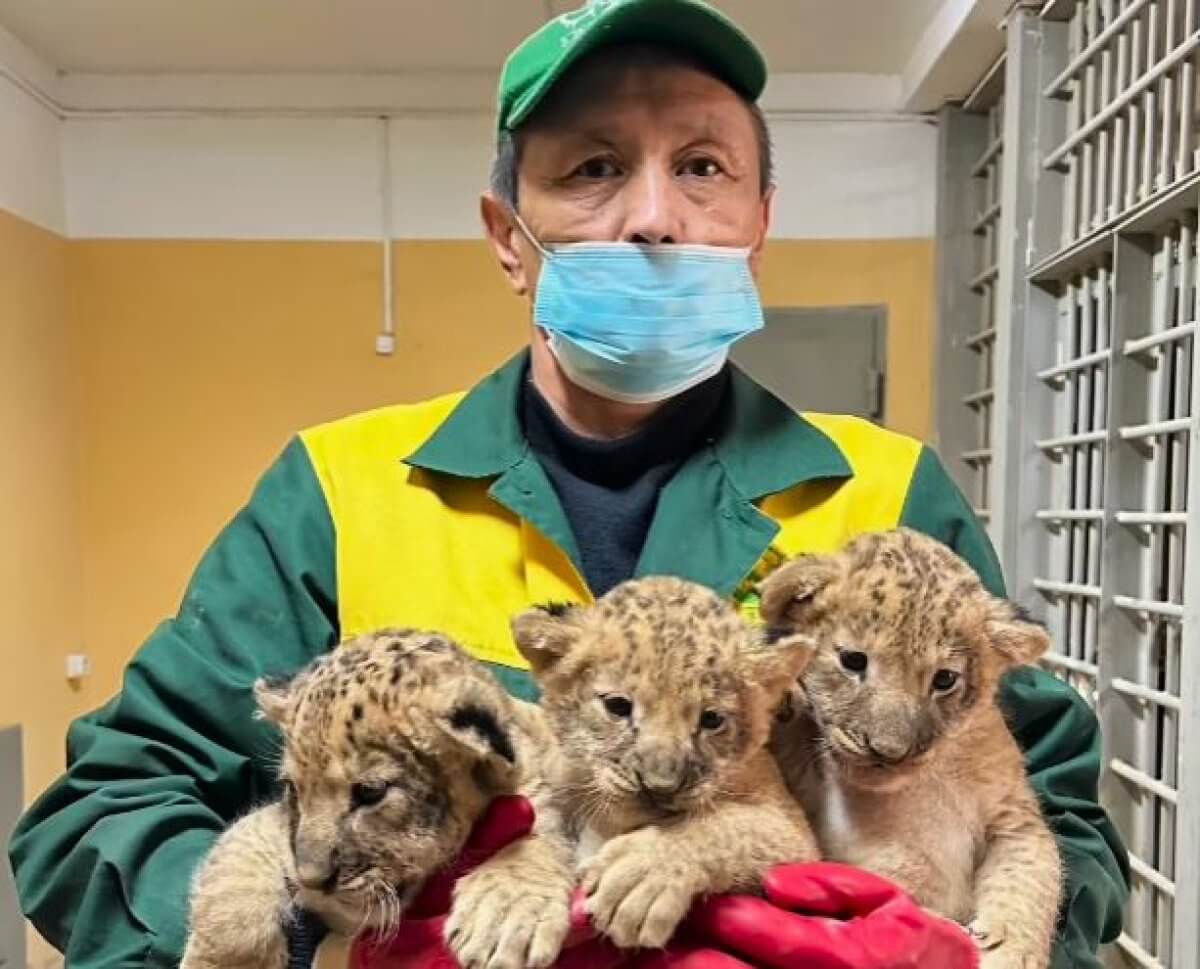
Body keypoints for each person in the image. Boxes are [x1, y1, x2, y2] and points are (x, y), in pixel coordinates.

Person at [9, 2, 1128, 968]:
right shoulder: (339, 487)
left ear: (757, 230)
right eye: (593, 169)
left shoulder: (887, 496)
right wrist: (317, 932)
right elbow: (104, 811)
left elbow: (1055, 818)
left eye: (702, 168)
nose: (653, 216)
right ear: (508, 239)